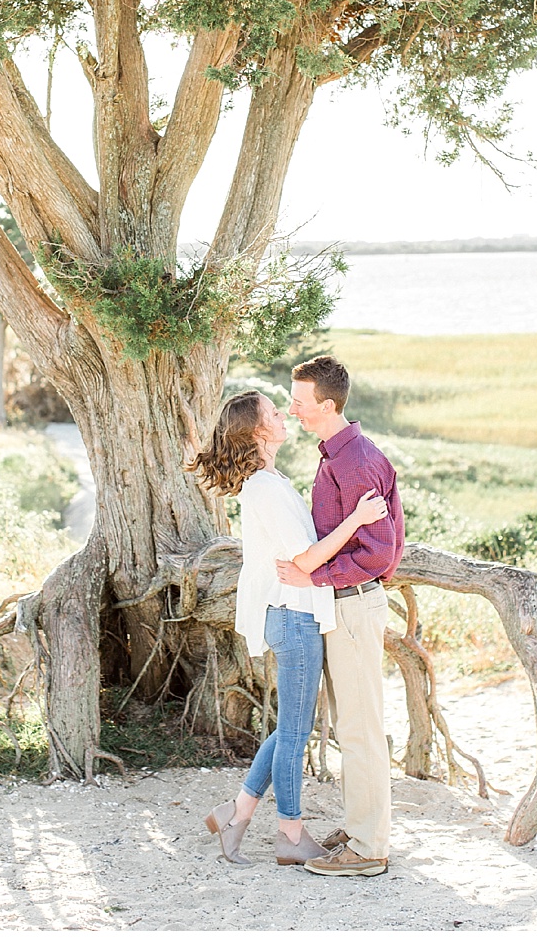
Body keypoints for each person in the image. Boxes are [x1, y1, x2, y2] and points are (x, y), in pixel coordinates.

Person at [192, 391, 386, 866]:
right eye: (275, 413)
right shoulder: (265, 488)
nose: (285, 416)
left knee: (289, 729)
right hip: (293, 617)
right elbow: (305, 558)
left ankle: (236, 814)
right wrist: (358, 520)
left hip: (296, 615)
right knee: (295, 732)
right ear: (259, 432)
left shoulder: (270, 482)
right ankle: (291, 834)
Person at [276, 353, 406, 878]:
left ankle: (369, 847)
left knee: (360, 730)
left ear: (327, 405)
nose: (293, 409)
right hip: (347, 606)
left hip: (352, 605)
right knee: (354, 726)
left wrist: (316, 578)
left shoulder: (353, 462)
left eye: (300, 402)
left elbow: (379, 552)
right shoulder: (338, 455)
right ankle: (359, 828)